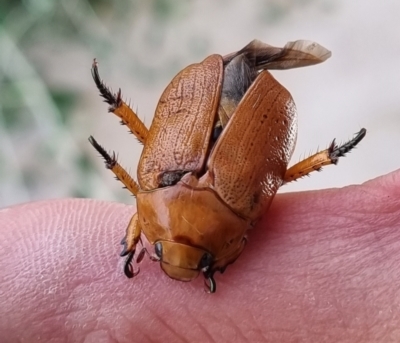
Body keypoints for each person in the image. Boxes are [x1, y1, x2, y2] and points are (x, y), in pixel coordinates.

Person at [1, 169, 399, 342]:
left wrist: (135, 247)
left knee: (257, 189)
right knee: (260, 185)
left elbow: (145, 201)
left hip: (216, 175)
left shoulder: (160, 210)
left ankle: (324, 156)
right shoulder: (171, 212)